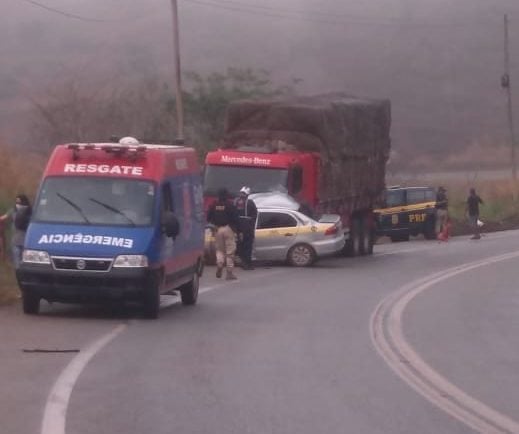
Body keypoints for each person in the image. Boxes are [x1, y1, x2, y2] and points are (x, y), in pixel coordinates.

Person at [207, 188, 239, 280]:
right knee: (230, 251)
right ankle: (229, 273)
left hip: (217, 229)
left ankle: (220, 264)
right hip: (228, 228)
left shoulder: (214, 205)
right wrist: (237, 229)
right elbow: (236, 218)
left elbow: (208, 217)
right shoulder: (230, 205)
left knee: (219, 250)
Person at [0, 194, 32, 268]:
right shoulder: (31, 211)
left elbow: (2, 218)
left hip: (16, 239)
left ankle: (19, 273)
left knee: (17, 260)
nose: (17, 204)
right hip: (27, 240)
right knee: (25, 260)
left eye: (18, 202)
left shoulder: (14, 210)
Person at [234, 186, 258, 270]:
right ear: (248, 194)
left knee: (241, 246)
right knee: (248, 246)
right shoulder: (250, 202)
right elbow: (255, 214)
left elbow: (234, 214)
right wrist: (252, 224)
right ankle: (247, 264)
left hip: (238, 227)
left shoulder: (236, 202)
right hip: (247, 227)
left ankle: (243, 262)